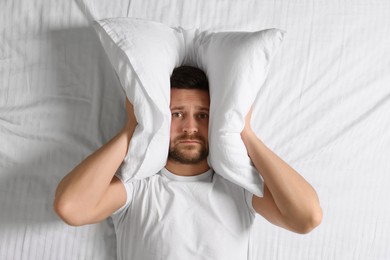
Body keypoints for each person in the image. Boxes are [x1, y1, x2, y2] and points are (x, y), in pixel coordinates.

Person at [54, 66, 322, 259]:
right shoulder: (139, 188)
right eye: (177, 114)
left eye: (203, 116)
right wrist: (133, 127)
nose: (190, 127)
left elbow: (307, 217)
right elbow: (70, 208)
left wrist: (244, 132)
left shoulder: (238, 188)